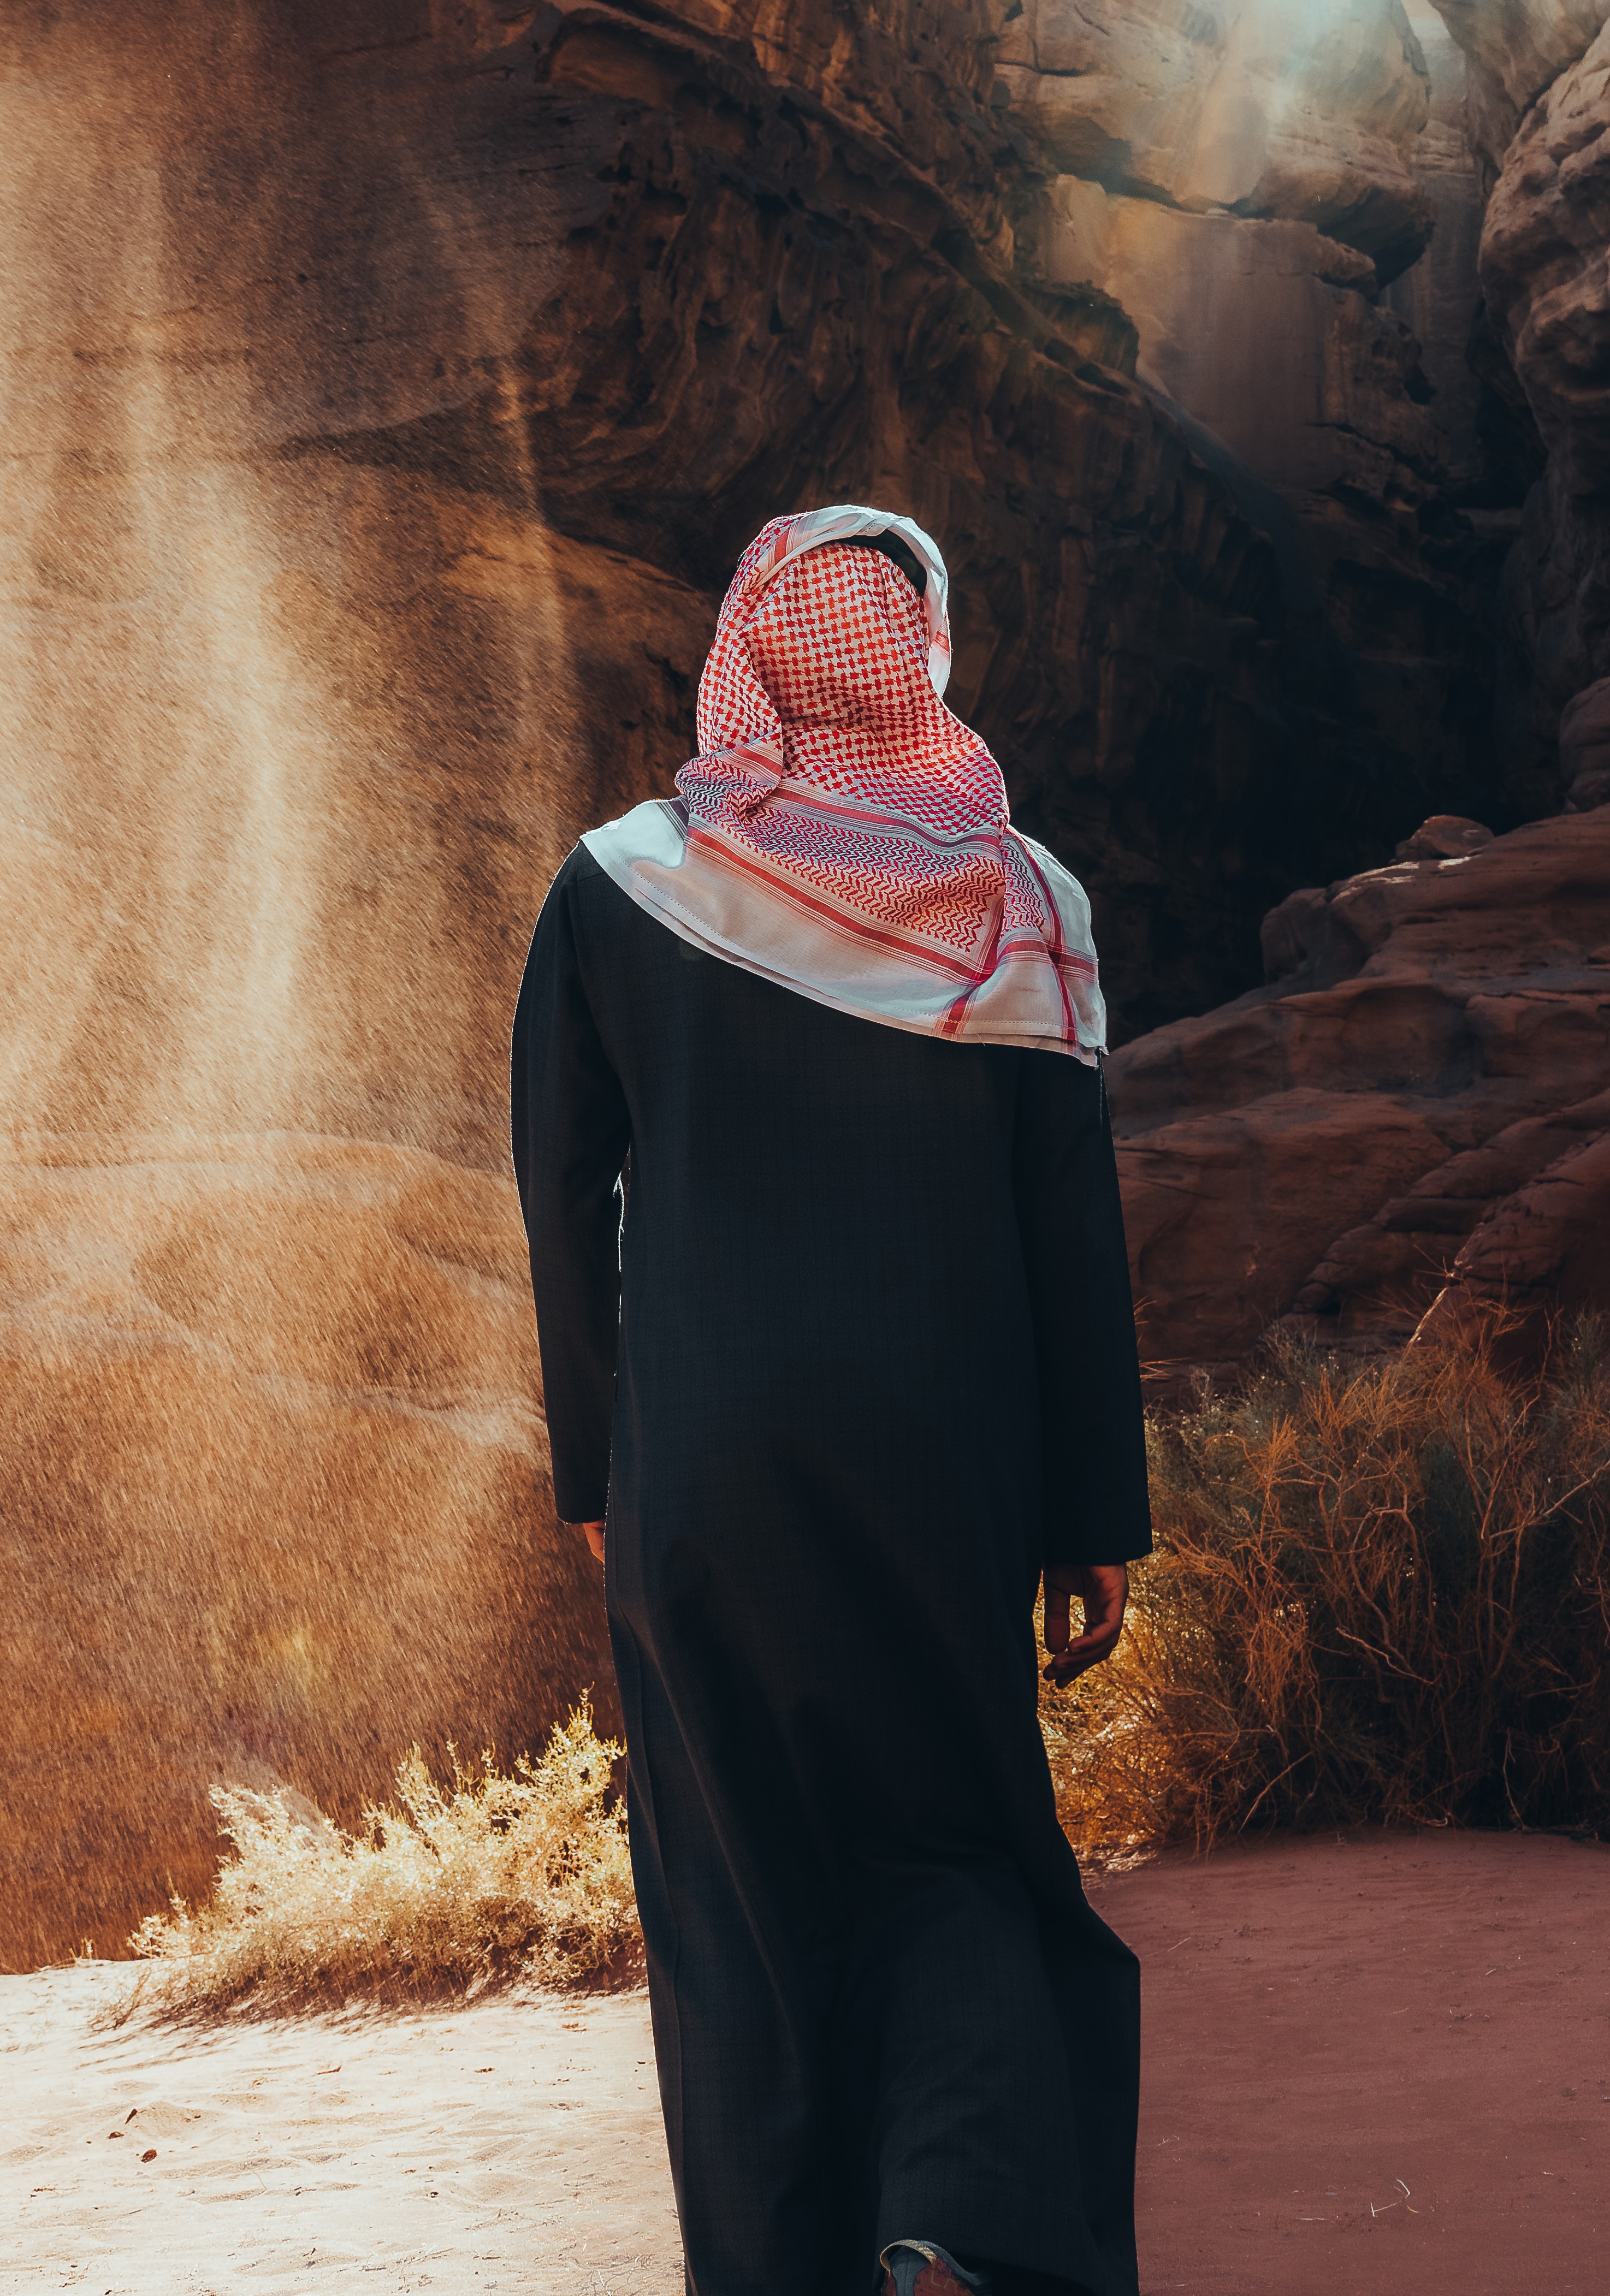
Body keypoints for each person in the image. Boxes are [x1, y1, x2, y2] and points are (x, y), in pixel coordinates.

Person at [510, 504, 1151, 2296]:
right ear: (922, 649)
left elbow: (559, 1185)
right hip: (950, 1473)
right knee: (955, 1846)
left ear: (755, 650)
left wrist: (596, 1458)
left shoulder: (624, 882)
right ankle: (948, 2216)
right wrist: (1095, 1512)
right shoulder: (1024, 906)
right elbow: (1066, 1240)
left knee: (737, 1884)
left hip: (705, 1463)